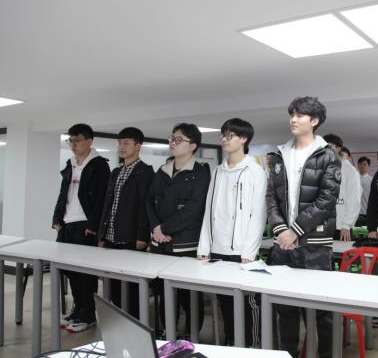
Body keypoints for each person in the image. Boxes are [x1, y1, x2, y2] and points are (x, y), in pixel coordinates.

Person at [266, 96, 341, 358]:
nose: (293, 120)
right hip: (283, 243)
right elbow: (271, 197)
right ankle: (288, 354)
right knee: (284, 308)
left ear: (315, 121)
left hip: (314, 244)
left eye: (300, 115)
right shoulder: (280, 154)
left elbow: (326, 200)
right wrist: (280, 231)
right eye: (292, 115)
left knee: (321, 310)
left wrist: (294, 231)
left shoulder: (327, 155)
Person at [197, 118, 267, 346]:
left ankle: (251, 346)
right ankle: (231, 343)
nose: (224, 139)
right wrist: (204, 247)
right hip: (218, 249)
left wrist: (249, 251)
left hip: (242, 252)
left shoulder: (255, 171)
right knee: (225, 302)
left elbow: (258, 214)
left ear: (244, 139)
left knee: (247, 304)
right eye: (223, 135)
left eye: (230, 135)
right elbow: (208, 210)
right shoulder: (217, 171)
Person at [147, 123, 211, 337]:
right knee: (164, 292)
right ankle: (167, 331)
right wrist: (156, 228)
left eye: (179, 140)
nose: (173, 143)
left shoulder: (200, 173)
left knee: (189, 294)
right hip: (160, 243)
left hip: (186, 244)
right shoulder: (162, 171)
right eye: (172, 139)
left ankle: (192, 334)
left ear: (193, 145)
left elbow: (195, 208)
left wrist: (165, 228)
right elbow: (149, 201)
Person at [53, 123, 110, 332]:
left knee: (85, 273)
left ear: (89, 141)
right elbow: (63, 194)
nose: (73, 144)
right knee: (70, 270)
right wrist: (57, 218)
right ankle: (78, 309)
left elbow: (102, 199)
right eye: (70, 140)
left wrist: (94, 225)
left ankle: (88, 314)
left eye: (77, 140)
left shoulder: (99, 165)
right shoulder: (70, 163)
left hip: (86, 224)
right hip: (67, 223)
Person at [97, 127, 154, 318]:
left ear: (138, 146)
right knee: (112, 285)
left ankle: (135, 322)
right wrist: (101, 234)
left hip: (131, 238)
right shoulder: (116, 172)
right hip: (110, 237)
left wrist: (142, 236)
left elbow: (145, 206)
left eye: (127, 143)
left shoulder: (145, 172)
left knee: (131, 287)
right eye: (120, 143)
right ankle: (119, 321)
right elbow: (107, 205)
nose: (122, 147)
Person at [324, 134, 361, 241]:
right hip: (323, 225)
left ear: (338, 149)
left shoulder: (349, 170)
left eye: (329, 145)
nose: (326, 149)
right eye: (324, 146)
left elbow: (354, 199)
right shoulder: (323, 166)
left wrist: (346, 225)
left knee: (342, 252)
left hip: (341, 227)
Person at [356, 156, 372, 227]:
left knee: (367, 232)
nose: (362, 166)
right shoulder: (353, 179)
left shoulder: (372, 180)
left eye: (364, 164)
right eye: (360, 164)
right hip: (355, 213)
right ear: (358, 166)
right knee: (355, 233)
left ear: (368, 166)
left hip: (367, 213)